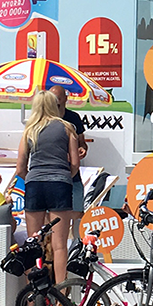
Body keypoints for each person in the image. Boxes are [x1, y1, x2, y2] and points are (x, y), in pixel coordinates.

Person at [16, 90, 80, 284]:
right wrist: (64, 177)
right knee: (59, 245)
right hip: (60, 184)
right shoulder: (67, 128)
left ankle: (32, 292)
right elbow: (75, 164)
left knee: (33, 243)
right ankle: (61, 291)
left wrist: (32, 178)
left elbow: (20, 168)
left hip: (35, 184)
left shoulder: (29, 130)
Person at [48, 86, 87, 221]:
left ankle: (75, 234)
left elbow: (82, 142)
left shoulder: (73, 117)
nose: (55, 102)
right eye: (52, 99)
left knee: (77, 212)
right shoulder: (46, 120)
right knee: (51, 215)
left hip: (72, 172)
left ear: (65, 99)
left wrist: (82, 149)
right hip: (52, 172)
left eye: (58, 98)